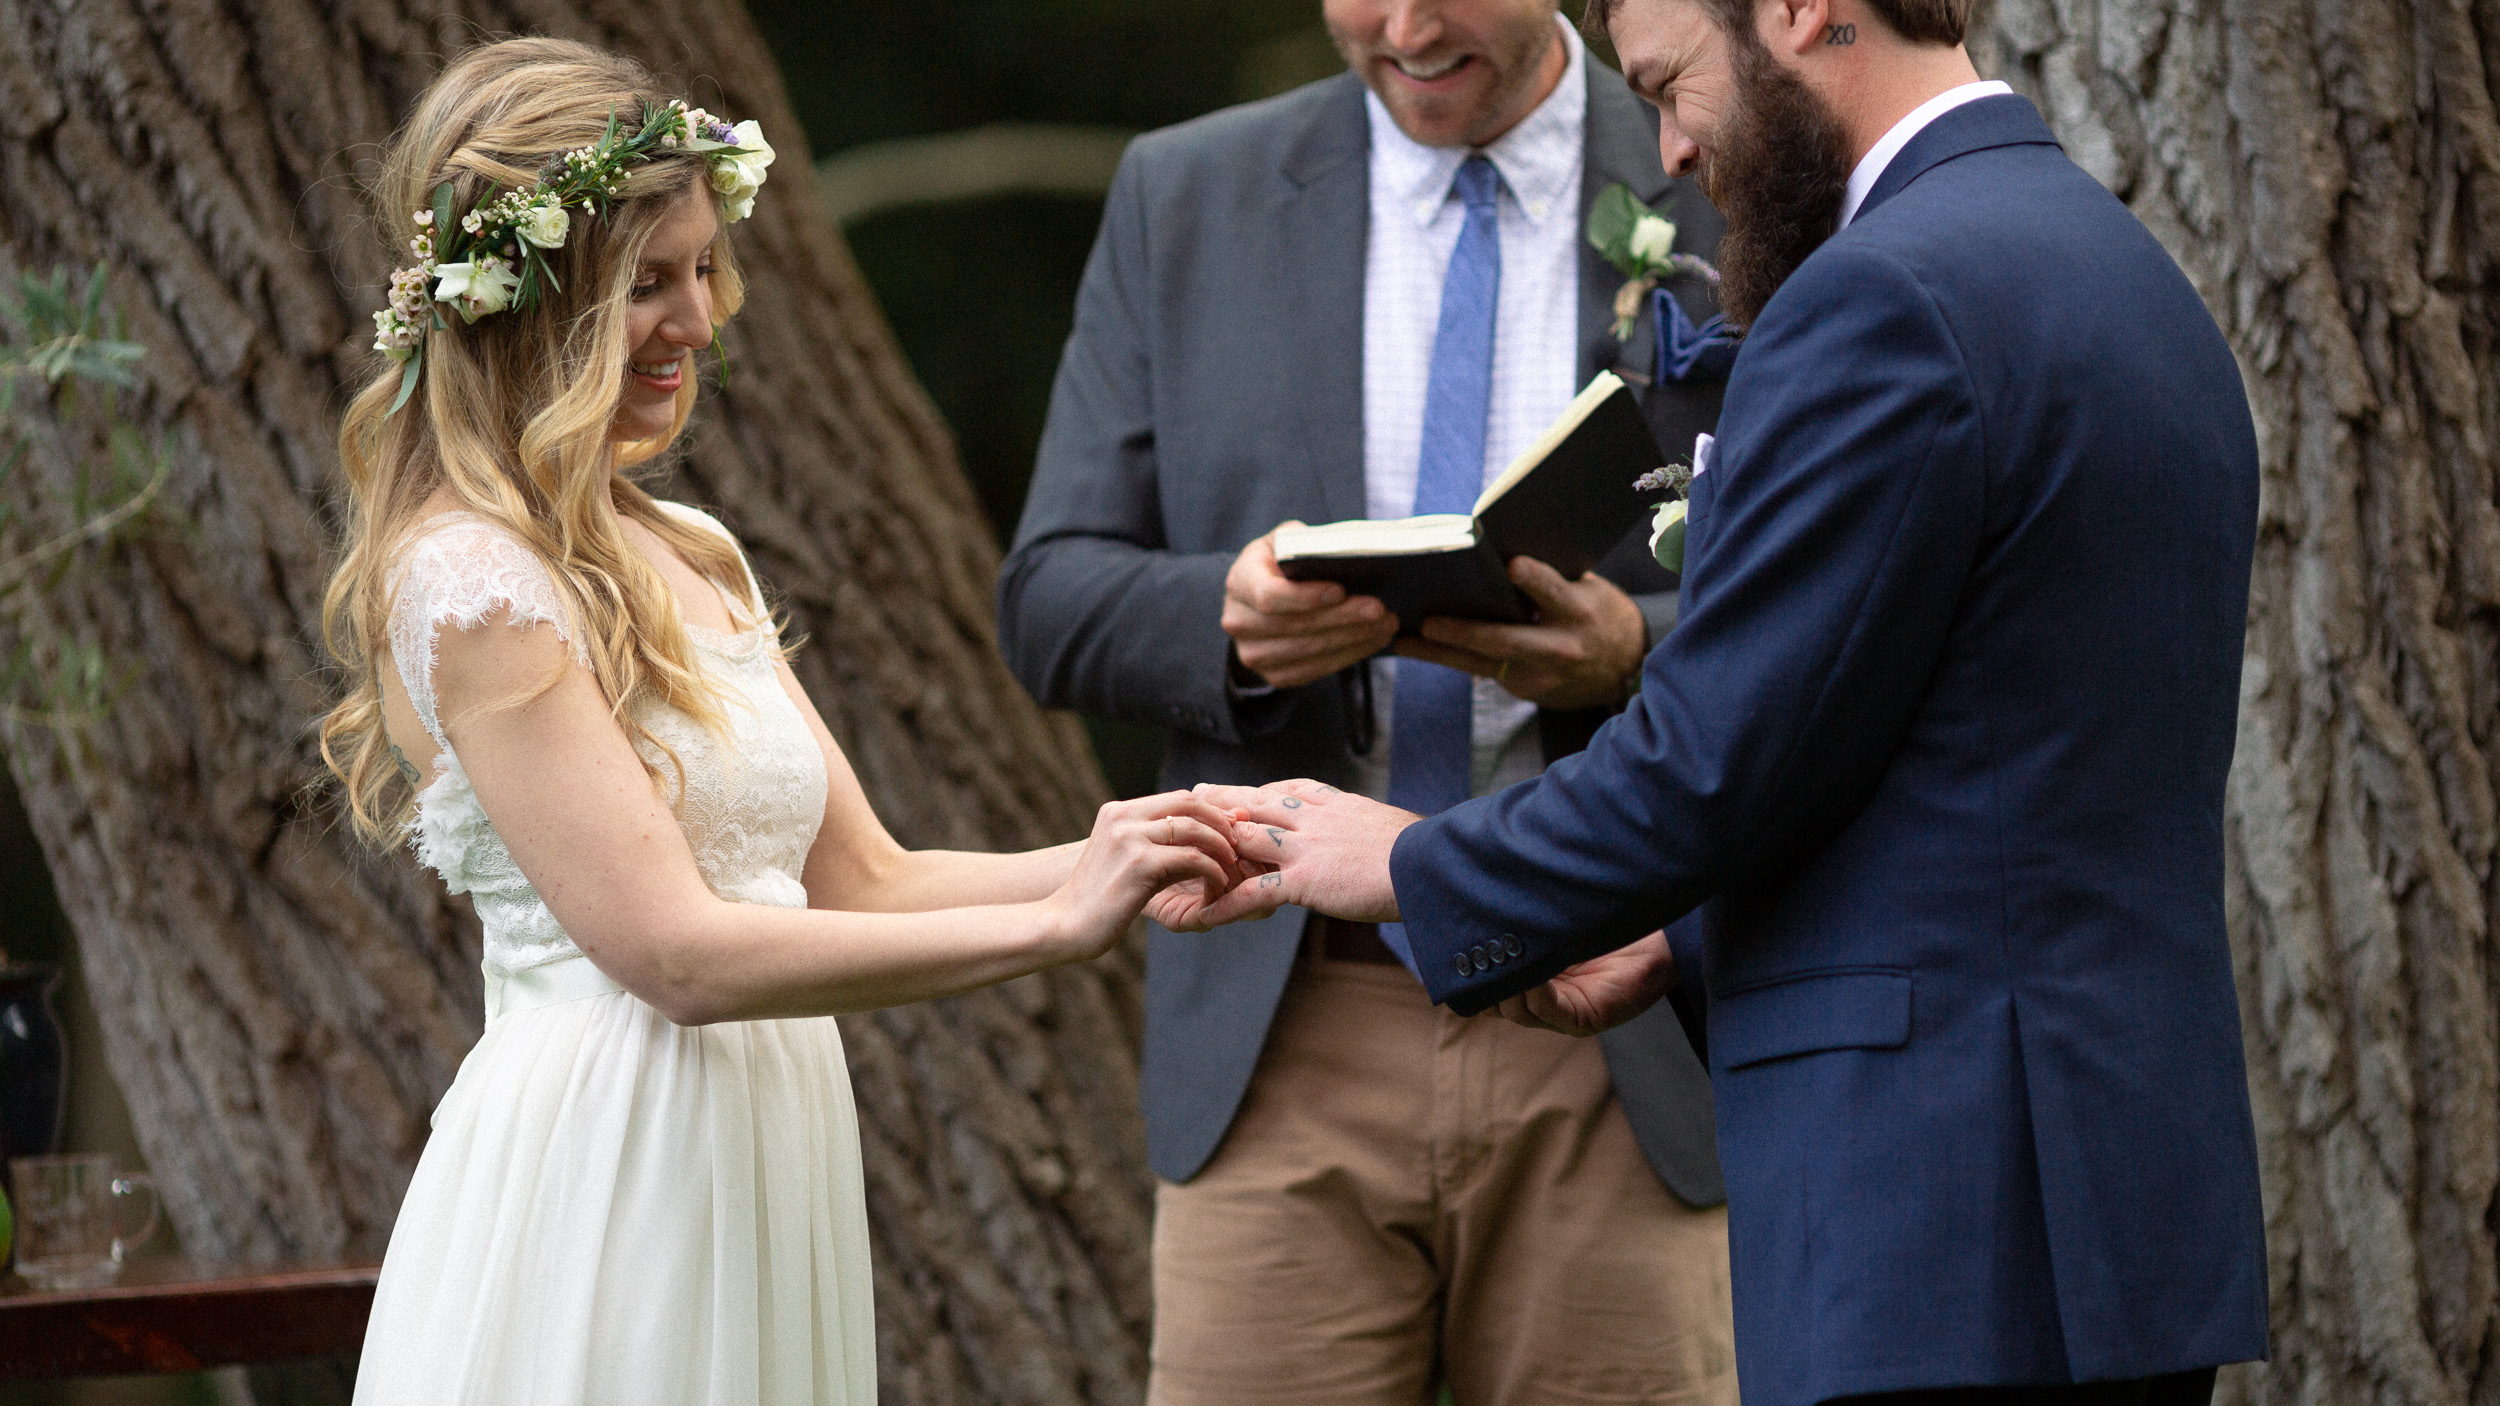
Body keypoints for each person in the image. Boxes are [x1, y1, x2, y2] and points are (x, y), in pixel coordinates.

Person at [1179, 0, 2271, 1403]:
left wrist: (1399, 860)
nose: (1673, 147)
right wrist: (1675, 943)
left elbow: (1708, 758)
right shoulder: (2125, 275)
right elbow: (1972, 747)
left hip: (1937, 1219)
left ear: (1807, 10)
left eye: (1671, 84)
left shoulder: (1884, 298)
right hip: (2112, 1211)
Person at [319, 39, 1243, 1405]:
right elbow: (677, 954)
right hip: (611, 1169)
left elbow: (868, 880)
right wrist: (1057, 927)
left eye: (703, 270)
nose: (698, 318)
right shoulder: (473, 582)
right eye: (646, 284)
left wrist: (1131, 844)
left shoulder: (692, 548)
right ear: (529, 305)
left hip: (764, 1151)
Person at [996, 2, 1738, 1401]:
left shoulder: (1712, 158)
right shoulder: (1188, 193)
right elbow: (1047, 596)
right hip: (1287, 1012)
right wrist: (1228, 619)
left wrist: (1633, 648)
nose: (1403, 26)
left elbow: (1854, 578)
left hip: (1620, 998)